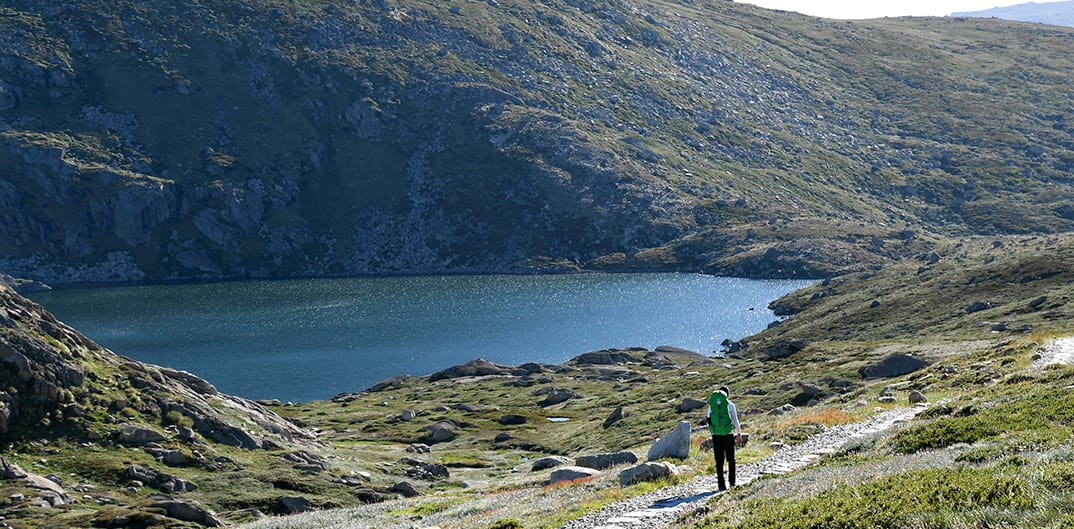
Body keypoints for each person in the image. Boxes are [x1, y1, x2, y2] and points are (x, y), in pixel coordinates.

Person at [705, 385, 742, 491]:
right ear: (727, 395)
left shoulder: (712, 405)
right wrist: (738, 433)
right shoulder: (730, 405)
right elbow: (735, 420)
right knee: (731, 459)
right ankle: (732, 482)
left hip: (716, 436)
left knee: (719, 461)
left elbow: (708, 419)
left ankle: (721, 485)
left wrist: (713, 431)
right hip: (728, 434)